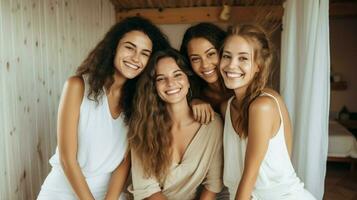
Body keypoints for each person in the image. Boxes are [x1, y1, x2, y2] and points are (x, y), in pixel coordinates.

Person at [37, 16, 170, 200]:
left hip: (109, 194)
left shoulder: (139, 102)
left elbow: (124, 161)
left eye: (145, 53)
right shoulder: (77, 86)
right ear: (114, 47)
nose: (136, 58)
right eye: (130, 47)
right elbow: (67, 159)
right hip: (62, 190)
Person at [220, 24, 316, 200]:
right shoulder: (227, 106)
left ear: (258, 66)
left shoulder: (263, 106)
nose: (231, 65)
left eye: (243, 58)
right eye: (227, 56)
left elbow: (250, 177)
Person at [128, 48, 223, 200]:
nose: (170, 83)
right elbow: (147, 190)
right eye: (160, 78)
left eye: (177, 74)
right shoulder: (142, 127)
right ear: (153, 87)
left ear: (188, 80)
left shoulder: (212, 124)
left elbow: (213, 183)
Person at [180, 23, 232, 123]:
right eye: (195, 59)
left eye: (211, 54)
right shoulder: (191, 93)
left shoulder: (241, 88)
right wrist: (192, 101)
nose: (205, 65)